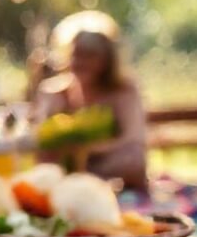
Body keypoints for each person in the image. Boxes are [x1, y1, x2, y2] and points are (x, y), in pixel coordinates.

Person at [38, 30, 148, 190]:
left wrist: (89, 150)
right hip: (70, 166)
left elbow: (133, 138)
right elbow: (42, 138)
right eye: (76, 55)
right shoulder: (57, 91)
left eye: (89, 56)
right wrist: (50, 108)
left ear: (106, 60)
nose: (81, 62)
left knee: (134, 157)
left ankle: (85, 182)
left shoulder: (124, 90)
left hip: (109, 163)